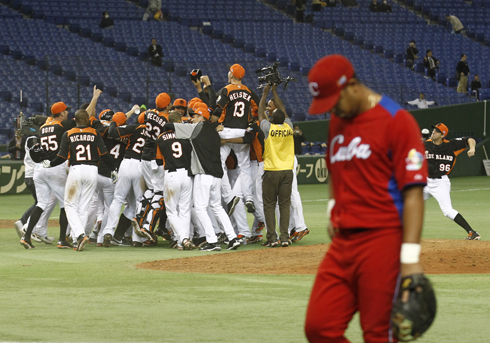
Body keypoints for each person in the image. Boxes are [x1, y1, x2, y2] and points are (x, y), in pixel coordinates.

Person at [304, 54, 429, 342]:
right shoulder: (339, 119)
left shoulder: (397, 120)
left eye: (334, 100)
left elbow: (413, 193)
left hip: (382, 240)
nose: (331, 109)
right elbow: (337, 169)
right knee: (319, 327)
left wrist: (410, 258)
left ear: (352, 86)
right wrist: (334, 206)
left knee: (378, 334)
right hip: (343, 242)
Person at [164, 107, 241, 252]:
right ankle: (233, 238)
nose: (191, 118)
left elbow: (168, 125)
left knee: (200, 208)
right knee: (217, 207)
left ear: (201, 117)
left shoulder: (196, 128)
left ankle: (212, 241)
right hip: (217, 175)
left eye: (194, 116)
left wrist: (185, 123)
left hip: (203, 174)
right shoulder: (214, 130)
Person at [42, 109, 118, 252]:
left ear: (75, 120)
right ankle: (79, 238)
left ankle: (79, 235)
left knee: (69, 205)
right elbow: (105, 154)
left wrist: (49, 163)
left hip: (76, 170)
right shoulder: (95, 133)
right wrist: (114, 168)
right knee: (84, 207)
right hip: (92, 171)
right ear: (88, 120)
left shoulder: (68, 133)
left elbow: (62, 157)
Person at [211, 64, 260, 214]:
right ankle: (249, 198)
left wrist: (213, 126)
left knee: (219, 163)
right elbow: (257, 109)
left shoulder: (226, 90)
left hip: (226, 131)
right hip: (242, 132)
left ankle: (229, 197)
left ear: (231, 75)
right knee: (244, 167)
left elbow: (217, 110)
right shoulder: (249, 91)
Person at [424, 123, 480, 240]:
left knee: (447, 211)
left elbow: (470, 139)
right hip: (425, 182)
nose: (433, 132)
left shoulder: (452, 145)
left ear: (442, 135)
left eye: (436, 131)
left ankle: (472, 232)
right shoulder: (425, 144)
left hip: (440, 183)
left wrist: (472, 148)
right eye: (433, 130)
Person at [257, 84, 295, 248]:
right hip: (287, 171)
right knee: (285, 204)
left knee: (269, 205)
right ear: (284, 119)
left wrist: (264, 95)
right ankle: (285, 237)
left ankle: (273, 238)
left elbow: (260, 113)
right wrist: (274, 91)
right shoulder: (289, 127)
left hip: (272, 171)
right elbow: (283, 109)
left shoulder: (268, 128)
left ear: (272, 118)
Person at [155, 111, 194, 250]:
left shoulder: (161, 137)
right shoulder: (186, 134)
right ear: (179, 121)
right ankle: (183, 240)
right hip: (187, 174)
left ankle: (182, 239)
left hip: (171, 174)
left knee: (171, 211)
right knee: (184, 209)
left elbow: (159, 161)